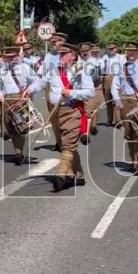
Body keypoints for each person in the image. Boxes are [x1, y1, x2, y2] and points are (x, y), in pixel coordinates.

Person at [41, 43, 95, 191]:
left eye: (64, 54)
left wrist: (72, 93)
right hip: (57, 112)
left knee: (68, 144)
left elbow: (90, 92)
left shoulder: (80, 72)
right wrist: (30, 89)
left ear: (73, 55)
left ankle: (61, 175)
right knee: (68, 146)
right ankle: (79, 175)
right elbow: (41, 83)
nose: (61, 57)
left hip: (72, 111)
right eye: (60, 54)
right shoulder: (54, 71)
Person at [0, 47, 40, 165]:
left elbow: (36, 81)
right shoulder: (2, 70)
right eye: (7, 57)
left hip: (21, 97)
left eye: (12, 57)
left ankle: (18, 152)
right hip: (7, 98)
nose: (10, 59)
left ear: (17, 56)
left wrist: (30, 89)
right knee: (10, 125)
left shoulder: (25, 68)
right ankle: (17, 151)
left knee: (22, 126)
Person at [111, 44, 138, 174]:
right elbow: (114, 86)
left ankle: (137, 163)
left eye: (133, 51)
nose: (130, 53)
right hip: (126, 101)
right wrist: (117, 100)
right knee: (128, 133)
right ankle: (133, 159)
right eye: (129, 51)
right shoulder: (122, 68)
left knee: (137, 131)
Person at [42, 33, 67, 151]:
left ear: (63, 42)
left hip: (66, 88)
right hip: (52, 88)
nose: (54, 44)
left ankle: (66, 142)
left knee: (65, 118)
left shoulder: (71, 55)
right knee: (54, 118)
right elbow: (43, 72)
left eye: (57, 41)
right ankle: (58, 142)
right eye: (53, 42)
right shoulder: (49, 55)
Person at [100, 42, 125, 126]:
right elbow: (102, 69)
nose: (110, 50)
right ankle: (109, 119)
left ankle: (118, 120)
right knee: (108, 100)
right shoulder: (105, 57)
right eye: (109, 49)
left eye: (112, 48)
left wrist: (123, 81)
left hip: (117, 78)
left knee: (117, 99)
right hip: (107, 78)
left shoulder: (121, 57)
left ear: (116, 49)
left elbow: (123, 69)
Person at [83, 44, 103, 139]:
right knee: (86, 112)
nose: (95, 52)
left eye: (96, 51)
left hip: (97, 87)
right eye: (93, 51)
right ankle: (85, 133)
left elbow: (100, 74)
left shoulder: (100, 60)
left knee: (96, 108)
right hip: (87, 88)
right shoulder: (86, 61)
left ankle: (93, 126)